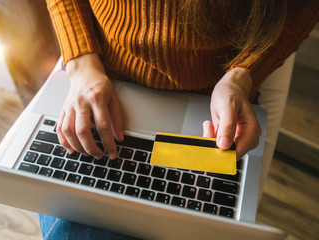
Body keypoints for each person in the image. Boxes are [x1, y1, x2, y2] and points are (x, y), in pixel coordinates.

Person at [41, 0, 319, 239]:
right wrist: (82, 66)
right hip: (101, 78)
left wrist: (241, 77)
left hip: (214, 100)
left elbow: (301, 6)